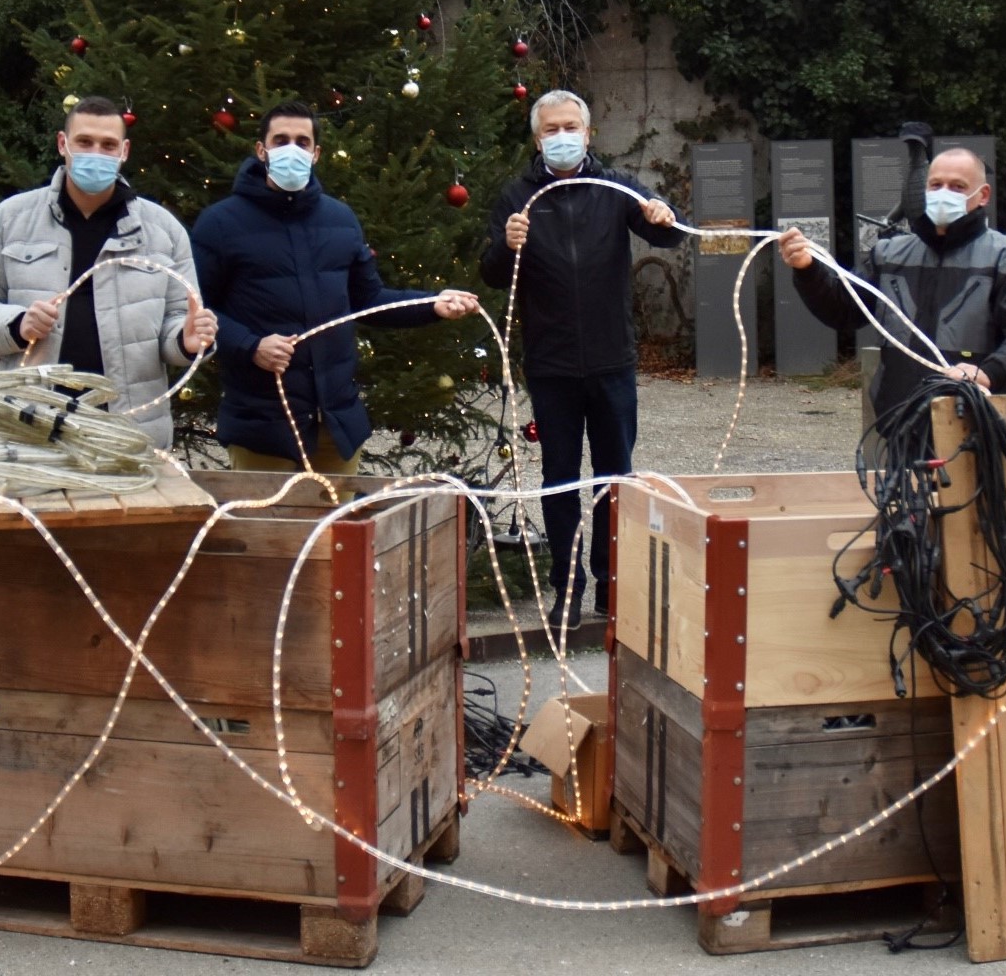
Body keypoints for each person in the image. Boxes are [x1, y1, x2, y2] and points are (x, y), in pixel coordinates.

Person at [480, 89, 684, 628]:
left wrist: (663, 213)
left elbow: (668, 235)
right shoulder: (517, 196)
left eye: (571, 126)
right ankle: (566, 589)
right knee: (561, 479)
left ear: (588, 134)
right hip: (551, 364)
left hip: (612, 359)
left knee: (616, 478)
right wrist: (507, 243)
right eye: (551, 129)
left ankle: (611, 586)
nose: (562, 136)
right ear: (537, 137)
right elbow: (493, 272)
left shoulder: (611, 187)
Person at [191, 100, 480, 474]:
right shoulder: (220, 223)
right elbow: (197, 308)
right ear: (261, 150)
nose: (291, 149)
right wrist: (251, 347)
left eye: (302, 141)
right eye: (280, 140)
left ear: (316, 154)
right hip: (263, 426)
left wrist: (432, 304)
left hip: (335, 424)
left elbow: (369, 300)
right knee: (269, 532)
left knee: (339, 531)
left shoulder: (341, 219)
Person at [0, 95, 216, 449]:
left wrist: (185, 342)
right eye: (85, 142)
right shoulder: (10, 219)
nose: (97, 153)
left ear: (124, 151)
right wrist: (17, 325)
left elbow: (178, 322)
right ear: (64, 145)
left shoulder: (163, 231)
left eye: (108, 145)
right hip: (31, 433)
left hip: (130, 436)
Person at [778, 146, 1006, 419]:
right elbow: (844, 310)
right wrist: (808, 269)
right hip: (900, 421)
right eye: (935, 185)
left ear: (982, 195)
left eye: (957, 187)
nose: (943, 193)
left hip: (979, 419)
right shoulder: (889, 254)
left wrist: (988, 372)